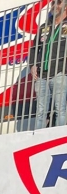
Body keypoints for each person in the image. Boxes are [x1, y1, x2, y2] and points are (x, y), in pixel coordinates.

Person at [30, 0, 67, 129]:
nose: (55, 5)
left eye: (59, 2)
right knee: (40, 112)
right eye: (53, 3)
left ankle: (60, 138)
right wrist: (33, 65)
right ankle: (39, 138)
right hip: (42, 75)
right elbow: (34, 48)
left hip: (60, 73)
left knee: (60, 109)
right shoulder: (44, 26)